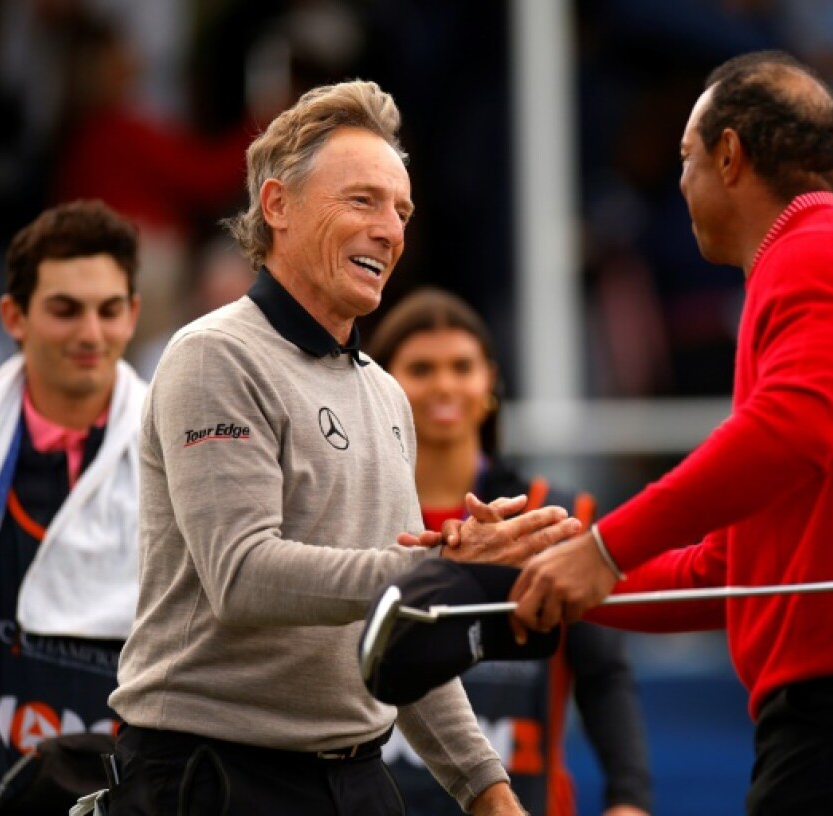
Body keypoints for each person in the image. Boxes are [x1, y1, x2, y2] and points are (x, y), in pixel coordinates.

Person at [508, 51, 833, 815]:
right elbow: (731, 572)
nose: (680, 184)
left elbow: (790, 430)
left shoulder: (818, 252)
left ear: (730, 155)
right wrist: (558, 575)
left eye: (687, 159)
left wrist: (604, 547)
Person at [105, 80, 580, 815]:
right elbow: (242, 575)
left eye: (401, 210)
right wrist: (440, 569)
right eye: (362, 200)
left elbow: (395, 627)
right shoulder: (213, 357)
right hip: (210, 775)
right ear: (277, 206)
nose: (390, 229)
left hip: (355, 780)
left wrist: (487, 789)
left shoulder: (386, 394)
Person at [367, 288, 653, 816]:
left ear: (490, 382)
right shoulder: (358, 515)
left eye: (461, 366)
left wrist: (629, 798)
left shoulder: (552, 517)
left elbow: (604, 673)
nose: (445, 384)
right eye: (422, 369)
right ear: (382, 385)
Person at [0, 200, 145, 812]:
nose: (90, 334)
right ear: (14, 316)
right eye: (66, 310)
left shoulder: (177, 463)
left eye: (108, 310)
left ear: (134, 316)